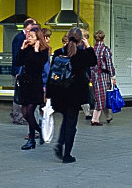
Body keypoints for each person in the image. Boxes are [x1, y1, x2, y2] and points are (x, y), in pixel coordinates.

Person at [48, 27, 97, 163]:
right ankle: (67, 154)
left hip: (60, 93)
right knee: (71, 123)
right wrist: (88, 46)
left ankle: (60, 143)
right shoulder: (82, 54)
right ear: (81, 39)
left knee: (65, 120)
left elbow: (53, 74)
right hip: (75, 95)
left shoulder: (58, 52)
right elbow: (94, 61)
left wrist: (49, 94)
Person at [12, 23, 49, 149]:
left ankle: (32, 140)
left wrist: (37, 50)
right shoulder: (27, 48)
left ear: (38, 38)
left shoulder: (43, 51)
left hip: (35, 85)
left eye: (32, 36)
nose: (29, 38)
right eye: (28, 36)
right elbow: (17, 62)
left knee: (30, 111)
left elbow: (38, 65)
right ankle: (40, 130)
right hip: (25, 85)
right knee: (25, 114)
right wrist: (22, 49)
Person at [9, 18, 38, 124]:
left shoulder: (25, 38)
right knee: (18, 94)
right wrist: (17, 72)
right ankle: (17, 116)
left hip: (23, 71)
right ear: (27, 27)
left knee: (21, 94)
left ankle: (20, 115)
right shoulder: (19, 38)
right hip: (19, 71)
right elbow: (16, 56)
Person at [90, 30, 116, 125]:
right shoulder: (105, 49)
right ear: (103, 38)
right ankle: (95, 119)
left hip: (94, 75)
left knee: (100, 96)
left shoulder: (92, 49)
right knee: (101, 97)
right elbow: (109, 63)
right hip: (103, 76)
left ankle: (108, 116)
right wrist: (113, 76)